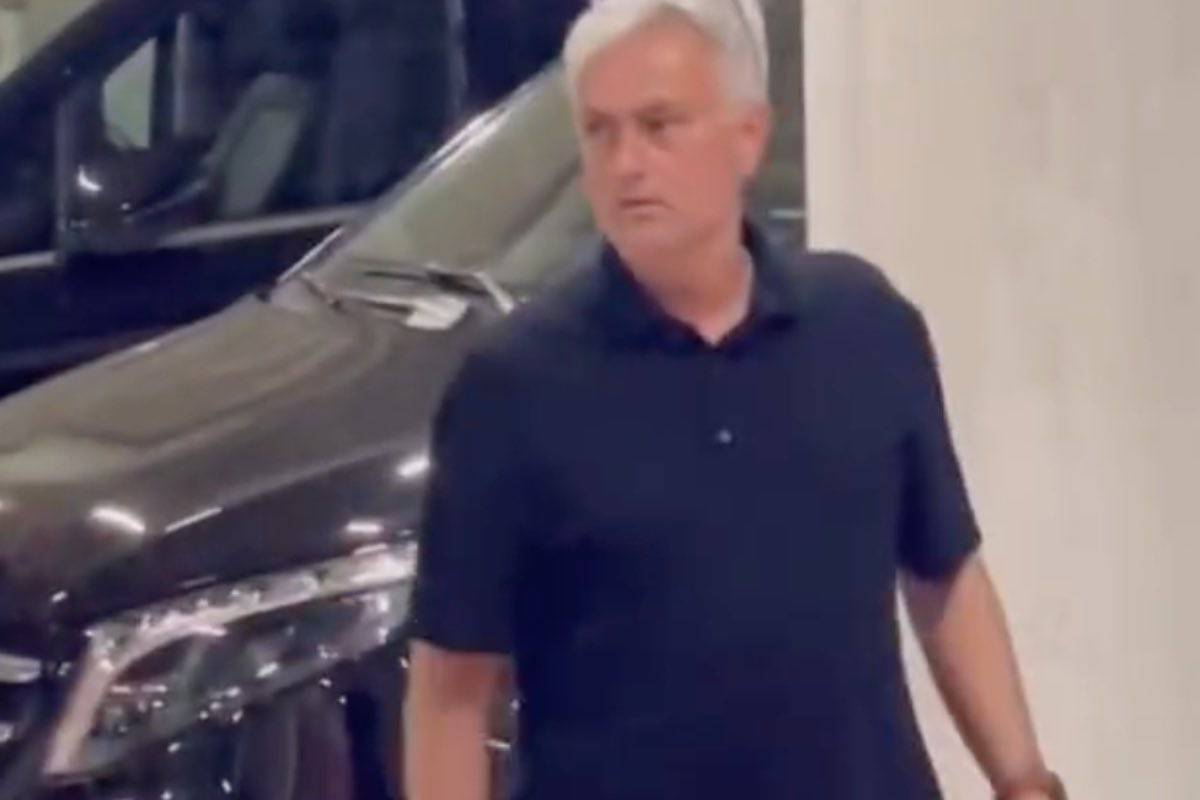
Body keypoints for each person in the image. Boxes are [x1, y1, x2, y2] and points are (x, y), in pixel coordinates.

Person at [404, 1, 1065, 798]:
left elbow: (946, 574)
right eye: (600, 132)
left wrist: (1024, 780)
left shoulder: (865, 328)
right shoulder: (512, 386)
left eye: (659, 125)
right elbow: (450, 690)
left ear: (748, 136)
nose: (626, 163)